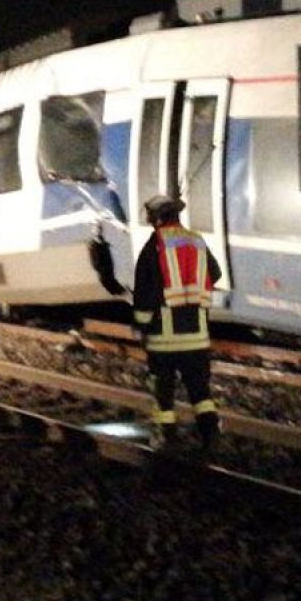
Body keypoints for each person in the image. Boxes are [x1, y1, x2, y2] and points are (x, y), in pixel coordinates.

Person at [131, 194, 223, 453]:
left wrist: (141, 325)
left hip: (164, 338)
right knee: (200, 392)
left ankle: (166, 437)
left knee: (164, 392)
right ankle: (210, 435)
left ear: (156, 218)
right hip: (197, 335)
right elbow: (215, 273)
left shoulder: (155, 246)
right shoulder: (196, 240)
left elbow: (144, 292)